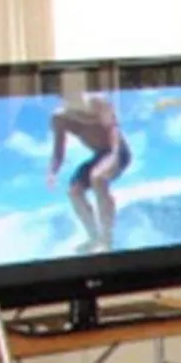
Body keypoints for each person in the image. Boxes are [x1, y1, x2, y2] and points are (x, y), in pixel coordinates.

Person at [47, 93, 130, 251]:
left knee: (97, 178)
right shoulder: (59, 118)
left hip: (118, 150)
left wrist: (114, 156)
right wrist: (52, 172)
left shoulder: (97, 102)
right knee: (74, 191)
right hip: (99, 155)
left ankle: (107, 239)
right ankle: (93, 237)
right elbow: (59, 149)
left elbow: (113, 129)